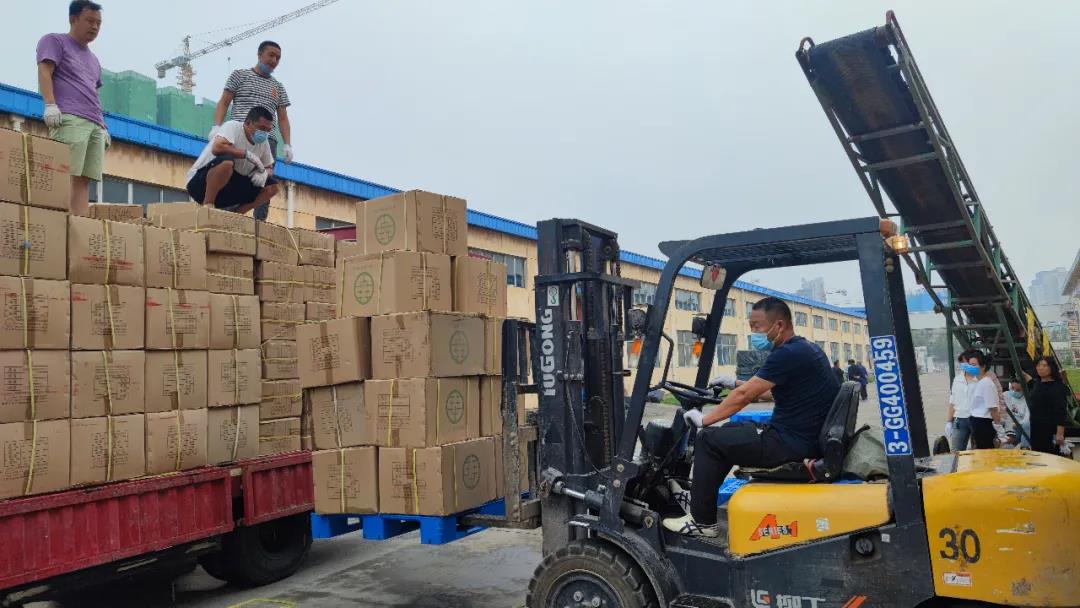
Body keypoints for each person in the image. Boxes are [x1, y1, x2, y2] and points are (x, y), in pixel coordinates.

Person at [662, 297, 840, 537]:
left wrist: (704, 420)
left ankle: (703, 523)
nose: (753, 332)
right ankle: (699, 500)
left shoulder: (787, 354)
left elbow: (745, 396)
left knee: (708, 439)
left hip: (791, 444)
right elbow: (769, 391)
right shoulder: (804, 348)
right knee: (731, 430)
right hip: (800, 437)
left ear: (779, 325)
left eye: (757, 326)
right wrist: (734, 383)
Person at [36, 1, 108, 217]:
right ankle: (60, 223)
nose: (94, 27)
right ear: (73, 19)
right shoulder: (54, 41)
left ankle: (79, 225)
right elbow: (45, 70)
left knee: (84, 179)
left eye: (98, 23)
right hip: (70, 117)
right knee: (66, 172)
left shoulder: (94, 60)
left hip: (95, 123)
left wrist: (103, 126)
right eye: (90, 21)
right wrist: (50, 104)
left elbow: (93, 93)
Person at [212, 41, 291, 220]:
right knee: (233, 175)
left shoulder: (278, 87)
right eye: (271, 55)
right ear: (259, 54)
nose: (274, 60)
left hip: (267, 141)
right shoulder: (239, 76)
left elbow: (283, 118)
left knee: (264, 180)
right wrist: (217, 126)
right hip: (240, 135)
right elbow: (224, 102)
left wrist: (287, 144)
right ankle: (226, 216)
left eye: (278, 58)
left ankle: (258, 222)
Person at [186, 107, 278, 214]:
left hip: (229, 189)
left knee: (272, 187)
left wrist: (264, 173)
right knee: (227, 162)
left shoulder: (263, 142)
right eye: (261, 128)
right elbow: (217, 147)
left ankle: (237, 214)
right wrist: (246, 154)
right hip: (200, 185)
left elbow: (269, 167)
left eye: (268, 130)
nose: (264, 133)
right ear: (248, 122)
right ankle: (208, 205)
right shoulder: (232, 126)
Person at [1022, 357, 1069, 455]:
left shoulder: (1057, 386)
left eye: (1044, 365)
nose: (1040, 368)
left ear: (1052, 368)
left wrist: (1060, 433)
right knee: (1037, 455)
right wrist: (1021, 373)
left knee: (1049, 456)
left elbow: (1061, 411)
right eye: (1039, 365)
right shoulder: (1037, 383)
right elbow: (1030, 381)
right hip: (1036, 427)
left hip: (1050, 429)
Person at [965, 351, 1001, 449]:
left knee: (986, 452)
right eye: (969, 365)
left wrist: (999, 428)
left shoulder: (987, 384)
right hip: (977, 421)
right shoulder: (979, 382)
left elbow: (993, 409)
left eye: (974, 365)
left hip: (984, 423)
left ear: (983, 367)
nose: (970, 367)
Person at [945, 351, 974, 452]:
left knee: (978, 452)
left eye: (965, 362)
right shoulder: (957, 379)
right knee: (956, 451)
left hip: (977, 420)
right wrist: (949, 421)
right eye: (961, 362)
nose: (963, 365)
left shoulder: (981, 379)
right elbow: (952, 401)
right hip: (960, 420)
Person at [1001, 379, 1030, 449]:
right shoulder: (1005, 395)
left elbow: (1027, 420)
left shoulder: (1027, 400)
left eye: (1018, 390)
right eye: (1012, 388)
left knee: (1027, 425)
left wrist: (1016, 424)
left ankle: (1023, 447)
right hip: (1006, 426)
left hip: (1019, 428)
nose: (1014, 391)